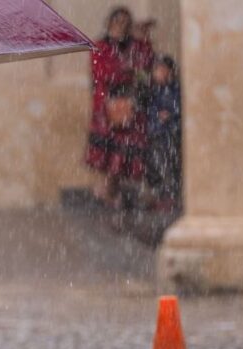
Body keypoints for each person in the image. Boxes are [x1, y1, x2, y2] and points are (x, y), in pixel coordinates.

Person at [86, 6, 155, 207]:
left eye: (126, 23)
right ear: (110, 24)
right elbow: (104, 73)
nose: (121, 27)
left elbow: (145, 64)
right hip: (107, 106)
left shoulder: (135, 45)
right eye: (118, 22)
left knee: (127, 152)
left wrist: (144, 38)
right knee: (110, 154)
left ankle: (116, 193)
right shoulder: (100, 46)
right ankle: (109, 191)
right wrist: (128, 71)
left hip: (130, 105)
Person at [146, 54, 182, 212]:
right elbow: (151, 108)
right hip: (157, 132)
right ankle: (162, 195)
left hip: (170, 133)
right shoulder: (155, 90)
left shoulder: (175, 90)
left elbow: (178, 107)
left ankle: (171, 195)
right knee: (158, 164)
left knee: (170, 164)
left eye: (160, 70)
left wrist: (171, 114)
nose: (157, 73)